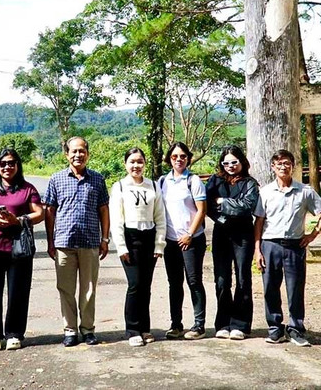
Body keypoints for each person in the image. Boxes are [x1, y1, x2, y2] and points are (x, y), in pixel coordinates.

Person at [254, 149, 321, 347]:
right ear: (273, 167)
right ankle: (275, 329)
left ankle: (296, 329)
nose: (283, 167)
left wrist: (313, 234)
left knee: (295, 288)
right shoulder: (265, 193)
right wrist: (257, 249)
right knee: (270, 287)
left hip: (295, 246)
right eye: (279, 164)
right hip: (270, 244)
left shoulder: (304, 191)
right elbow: (259, 222)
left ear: (293, 166)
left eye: (287, 163)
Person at [0, 148, 44, 351]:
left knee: (18, 291)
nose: (7, 167)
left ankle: (14, 333)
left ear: (18, 166)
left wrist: (20, 219)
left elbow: (39, 213)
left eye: (11, 163)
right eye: (3, 163)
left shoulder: (27, 188)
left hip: (18, 246)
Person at [44, 136, 110, 347]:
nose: (77, 155)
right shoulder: (56, 179)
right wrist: (50, 241)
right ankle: (70, 330)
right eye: (73, 151)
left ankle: (88, 329)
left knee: (89, 289)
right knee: (65, 288)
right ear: (66, 154)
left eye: (81, 151)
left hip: (90, 242)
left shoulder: (98, 179)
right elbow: (50, 212)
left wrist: (105, 238)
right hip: (64, 243)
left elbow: (103, 210)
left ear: (87, 154)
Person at [109, 147, 166, 347]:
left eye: (140, 161)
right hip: (130, 238)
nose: (136, 165)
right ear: (126, 164)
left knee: (146, 286)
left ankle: (145, 328)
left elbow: (160, 217)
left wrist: (159, 245)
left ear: (145, 163)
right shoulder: (120, 187)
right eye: (132, 161)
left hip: (149, 238)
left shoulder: (153, 186)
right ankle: (132, 329)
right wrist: (121, 247)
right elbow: (116, 219)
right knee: (135, 284)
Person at [205, 145, 259, 341]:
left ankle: (241, 324)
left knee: (243, 278)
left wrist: (223, 202)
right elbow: (208, 206)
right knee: (222, 279)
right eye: (226, 163)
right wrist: (223, 214)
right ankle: (223, 323)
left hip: (243, 234)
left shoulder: (250, 183)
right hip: (221, 232)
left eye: (234, 162)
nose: (230, 166)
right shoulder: (215, 181)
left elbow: (247, 207)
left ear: (242, 162)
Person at [159, 142, 208, 341]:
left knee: (194, 281)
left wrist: (189, 233)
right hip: (171, 241)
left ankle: (199, 325)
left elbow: (201, 210)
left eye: (183, 156)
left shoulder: (194, 180)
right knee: (174, 284)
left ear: (188, 158)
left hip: (192, 239)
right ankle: (176, 325)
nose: (179, 160)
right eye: (175, 156)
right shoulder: (163, 181)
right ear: (169, 159)